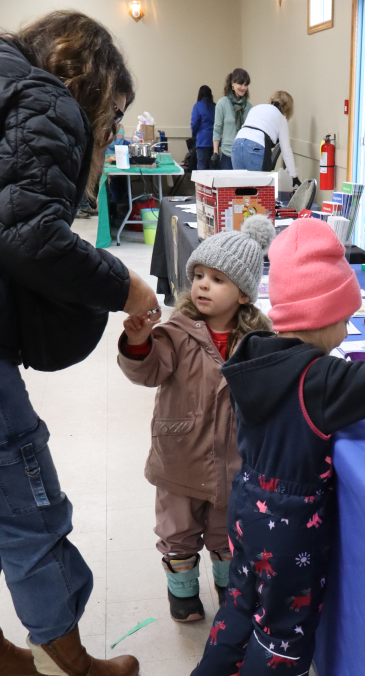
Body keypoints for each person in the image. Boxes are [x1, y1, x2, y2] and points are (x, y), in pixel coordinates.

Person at [186, 219, 365, 676]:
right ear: (327, 316)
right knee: (286, 620)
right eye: (346, 320)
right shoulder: (322, 376)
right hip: (293, 522)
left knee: (245, 595)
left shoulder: (253, 354)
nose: (347, 332)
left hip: (247, 505)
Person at [0, 12, 158, 676]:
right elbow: (29, 234)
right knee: (26, 503)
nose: (112, 133)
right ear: (91, 84)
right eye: (113, 116)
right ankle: (68, 673)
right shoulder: (50, 103)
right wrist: (127, 287)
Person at [118, 216, 274, 623]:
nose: (203, 285)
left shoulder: (259, 342)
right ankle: (182, 592)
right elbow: (147, 370)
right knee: (178, 534)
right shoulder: (176, 332)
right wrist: (138, 342)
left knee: (228, 534)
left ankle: (229, 586)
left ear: (244, 295)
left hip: (236, 462)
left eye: (218, 280)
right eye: (199, 275)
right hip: (180, 458)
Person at [231, 90, 301, 185]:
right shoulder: (281, 118)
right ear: (288, 107)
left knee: (239, 187)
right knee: (258, 190)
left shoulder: (256, 108)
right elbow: (286, 150)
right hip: (256, 147)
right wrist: (294, 176)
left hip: (237, 144)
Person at [212, 68, 252, 170]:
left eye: (246, 85)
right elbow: (217, 129)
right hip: (227, 153)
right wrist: (215, 152)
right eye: (240, 84)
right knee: (228, 184)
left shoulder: (249, 107)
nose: (243, 87)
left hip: (244, 154)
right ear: (232, 84)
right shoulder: (222, 103)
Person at [191, 85, 215, 171]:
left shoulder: (197, 106)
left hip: (202, 140)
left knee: (201, 166)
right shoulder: (215, 106)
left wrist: (194, 134)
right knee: (213, 166)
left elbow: (194, 123)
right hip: (214, 141)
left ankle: (201, 184)